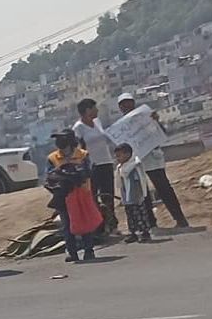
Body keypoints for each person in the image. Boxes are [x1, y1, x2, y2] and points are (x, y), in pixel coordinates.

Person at [117, 93, 190, 229]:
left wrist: (156, 121)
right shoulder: (121, 127)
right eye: (123, 104)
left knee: (164, 188)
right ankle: (150, 222)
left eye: (128, 102)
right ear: (120, 107)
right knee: (142, 192)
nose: (126, 106)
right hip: (137, 160)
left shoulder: (146, 117)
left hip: (152, 156)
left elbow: (161, 132)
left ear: (133, 103)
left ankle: (180, 219)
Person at [44, 130, 98, 262]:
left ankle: (88, 250)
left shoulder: (83, 155)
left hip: (81, 193)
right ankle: (72, 252)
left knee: (84, 221)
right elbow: (49, 176)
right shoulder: (52, 158)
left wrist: (73, 174)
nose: (61, 148)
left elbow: (87, 172)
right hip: (64, 195)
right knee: (67, 225)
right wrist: (64, 174)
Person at [73, 98, 118, 234]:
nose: (97, 110)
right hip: (93, 165)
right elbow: (78, 149)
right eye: (94, 108)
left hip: (106, 161)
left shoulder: (97, 122)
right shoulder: (78, 128)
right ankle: (99, 227)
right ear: (87, 110)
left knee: (108, 195)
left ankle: (112, 224)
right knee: (93, 197)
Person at [113, 142, 152, 243]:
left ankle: (145, 233)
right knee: (131, 216)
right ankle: (133, 233)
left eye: (119, 156)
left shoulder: (134, 165)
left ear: (127, 154)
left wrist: (138, 196)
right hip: (126, 197)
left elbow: (138, 182)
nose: (117, 158)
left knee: (140, 215)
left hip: (135, 196)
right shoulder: (120, 167)